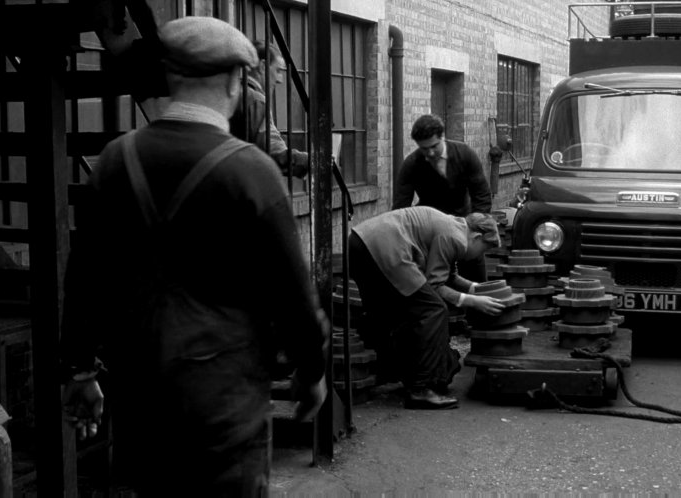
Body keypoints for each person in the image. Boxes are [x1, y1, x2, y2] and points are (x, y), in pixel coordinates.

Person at [60, 16, 328, 497]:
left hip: (142, 404)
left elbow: (83, 279)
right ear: (233, 82)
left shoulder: (114, 161)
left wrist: (80, 370)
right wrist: (311, 373)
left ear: (169, 76)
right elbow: (294, 296)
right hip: (225, 412)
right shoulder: (253, 172)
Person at [349, 206, 504, 410]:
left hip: (359, 243)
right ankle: (421, 389)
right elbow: (436, 286)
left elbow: (447, 274)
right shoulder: (455, 237)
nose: (479, 256)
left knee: (391, 312)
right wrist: (472, 301)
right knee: (434, 310)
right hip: (386, 249)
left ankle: (389, 372)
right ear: (476, 236)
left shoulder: (453, 226)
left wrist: (476, 288)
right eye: (484, 249)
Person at [393, 114, 494, 281]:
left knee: (475, 278)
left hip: (465, 222)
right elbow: (400, 207)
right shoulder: (411, 165)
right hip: (431, 228)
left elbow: (482, 195)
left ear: (442, 137)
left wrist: (475, 228)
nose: (430, 152)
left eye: (434, 146)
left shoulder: (465, 154)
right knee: (438, 281)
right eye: (424, 149)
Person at [229, 40, 310, 179]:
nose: (280, 79)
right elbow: (272, 150)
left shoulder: (235, 93)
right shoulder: (254, 99)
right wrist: (310, 160)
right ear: (262, 66)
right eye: (278, 70)